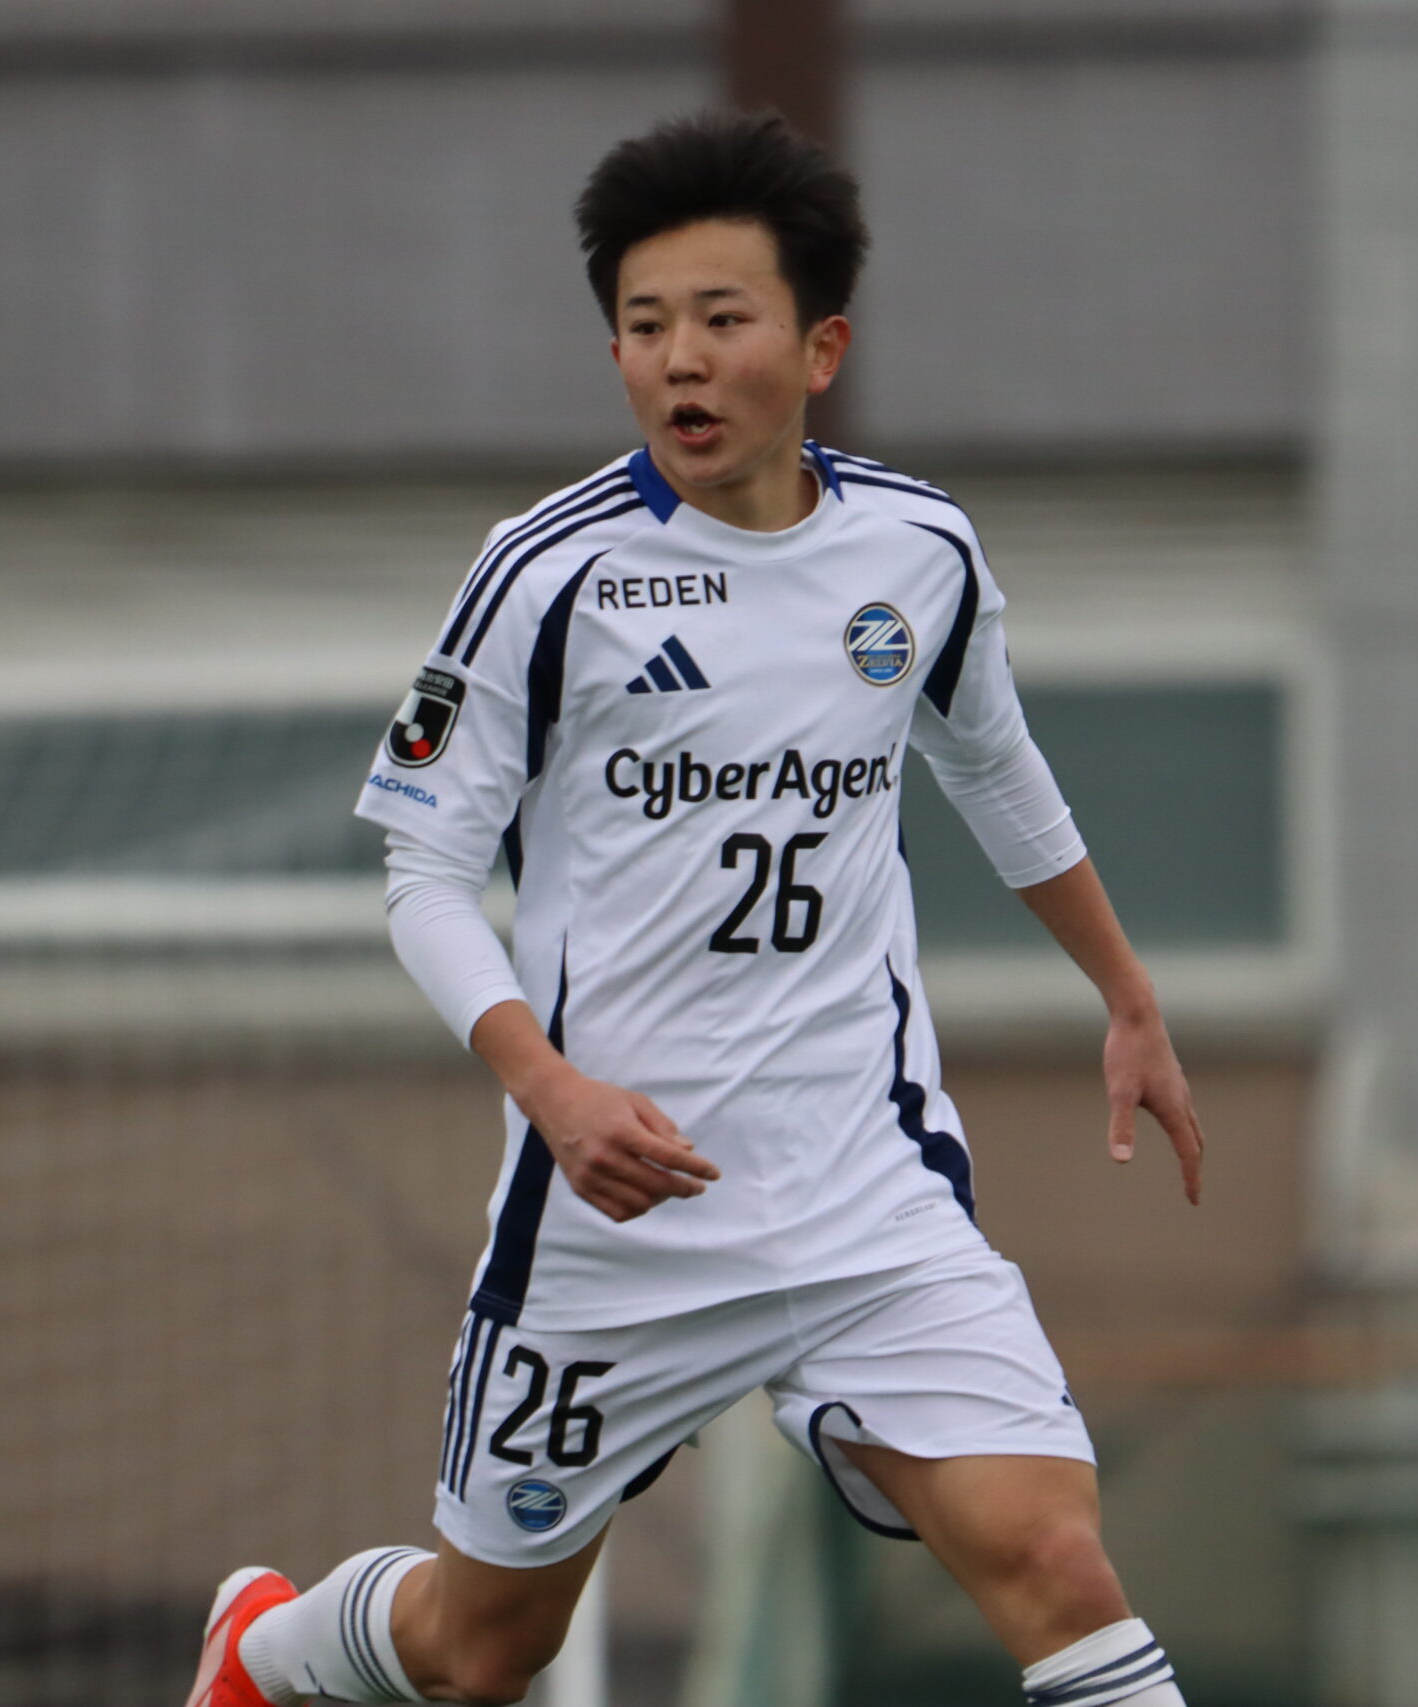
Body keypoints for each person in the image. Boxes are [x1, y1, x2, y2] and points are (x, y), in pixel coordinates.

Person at [186, 108, 1205, 1707]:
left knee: (1056, 1561)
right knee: (481, 1653)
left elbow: (996, 769)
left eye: (722, 319)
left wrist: (1128, 998)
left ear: (820, 348)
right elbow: (426, 873)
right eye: (645, 326)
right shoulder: (545, 576)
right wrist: (551, 1088)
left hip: (867, 1193)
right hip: (619, 1219)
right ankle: (265, 1648)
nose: (680, 360)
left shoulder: (918, 553)